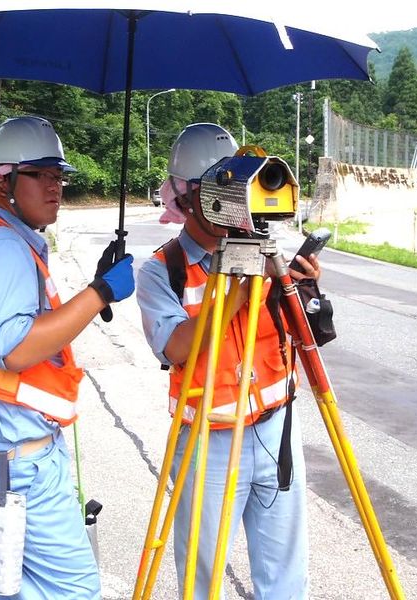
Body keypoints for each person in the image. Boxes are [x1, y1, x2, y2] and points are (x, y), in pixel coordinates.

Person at [0, 116, 134, 599]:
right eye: (41, 175)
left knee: (2, 587)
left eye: (59, 176)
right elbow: (16, 348)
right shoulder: (3, 246)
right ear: (3, 181)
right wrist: (99, 293)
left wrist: (96, 288)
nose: (56, 187)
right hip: (14, 464)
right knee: (74, 589)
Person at [136, 123, 321, 599]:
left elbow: (301, 336)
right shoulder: (163, 270)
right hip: (209, 440)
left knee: (286, 579)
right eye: (220, 187)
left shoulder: (264, 252)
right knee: (203, 580)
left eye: (237, 186)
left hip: (276, 427)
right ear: (187, 196)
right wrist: (239, 284)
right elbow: (175, 346)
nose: (233, 199)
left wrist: (301, 289)